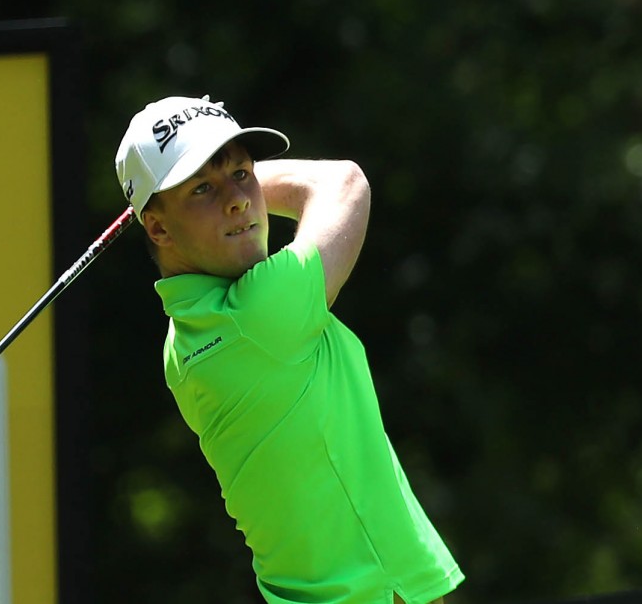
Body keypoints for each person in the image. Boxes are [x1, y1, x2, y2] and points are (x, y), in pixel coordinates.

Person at [115, 95, 464, 604]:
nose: (238, 200)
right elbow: (343, 182)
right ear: (159, 228)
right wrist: (242, 178)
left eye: (242, 174)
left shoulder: (182, 344)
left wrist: (187, 187)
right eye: (204, 189)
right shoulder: (259, 314)